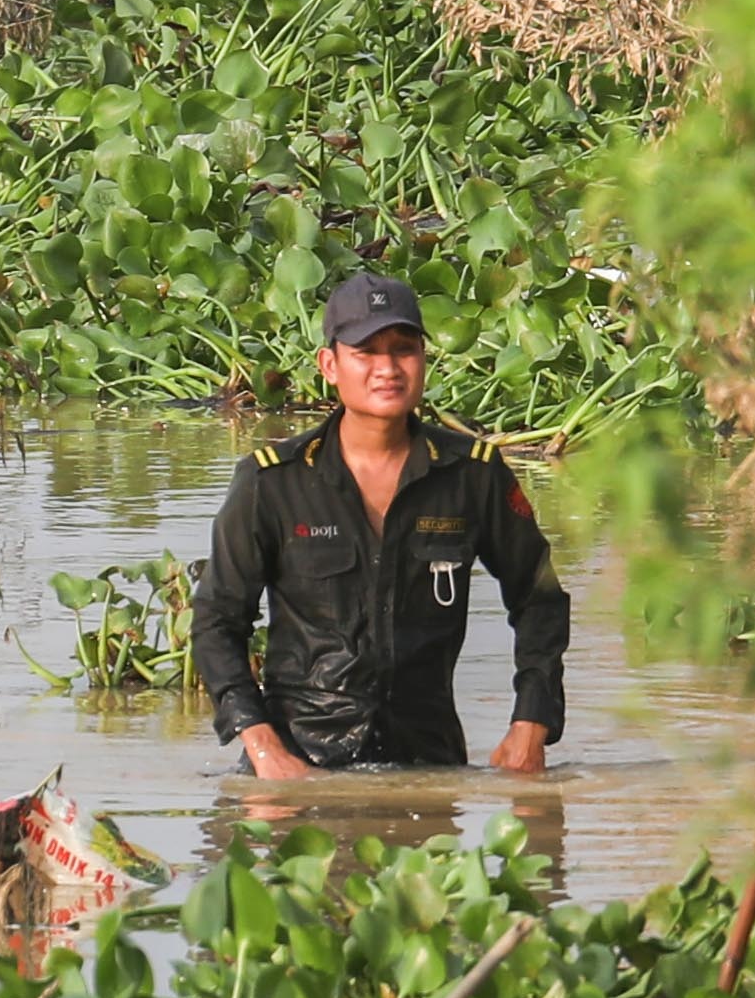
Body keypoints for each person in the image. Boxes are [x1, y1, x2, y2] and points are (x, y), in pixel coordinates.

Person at [190, 272, 562, 779]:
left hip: (430, 764)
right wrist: (262, 748)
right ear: (330, 366)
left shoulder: (474, 475)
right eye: (365, 352)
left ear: (424, 360)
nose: (387, 368)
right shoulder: (272, 482)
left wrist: (531, 722)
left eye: (403, 349)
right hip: (300, 763)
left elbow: (538, 599)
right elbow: (216, 620)